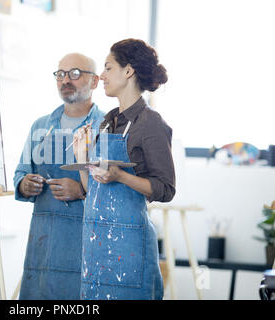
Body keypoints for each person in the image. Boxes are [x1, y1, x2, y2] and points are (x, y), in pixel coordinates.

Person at [73, 38, 175, 300]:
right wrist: (82, 158)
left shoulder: (150, 123)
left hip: (130, 245)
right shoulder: (107, 122)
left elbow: (165, 189)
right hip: (96, 245)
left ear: (128, 71)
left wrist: (120, 176)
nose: (102, 76)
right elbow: (93, 189)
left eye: (108, 68)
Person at [14, 53, 105, 299]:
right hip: (43, 238)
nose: (66, 80)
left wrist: (82, 191)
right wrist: (24, 184)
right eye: (61, 74)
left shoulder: (106, 126)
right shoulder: (40, 126)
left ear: (95, 82)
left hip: (84, 237)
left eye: (75, 73)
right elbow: (21, 172)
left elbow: (116, 188)